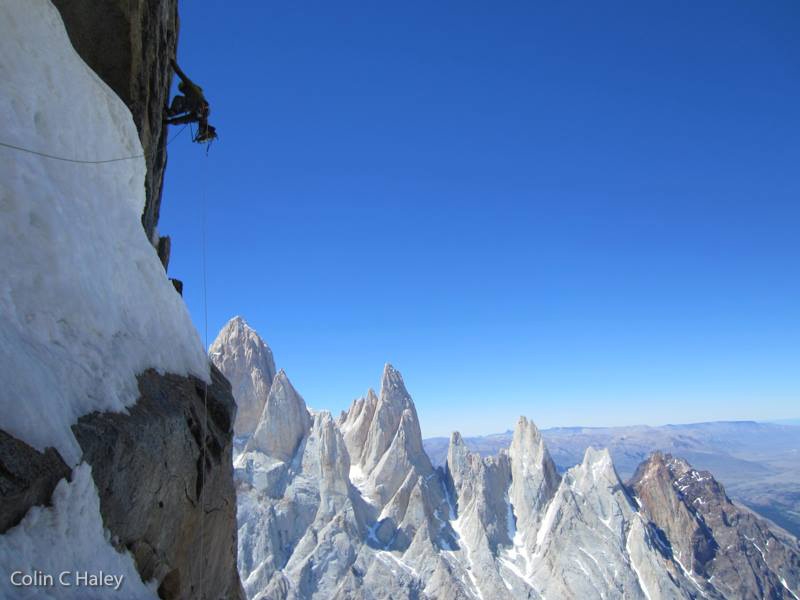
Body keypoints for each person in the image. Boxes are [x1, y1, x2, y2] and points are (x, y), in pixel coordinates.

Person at [165, 60, 217, 143]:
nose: (183, 91)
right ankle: (205, 130)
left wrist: (174, 65)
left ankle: (205, 131)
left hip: (196, 109)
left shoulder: (195, 91)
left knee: (174, 110)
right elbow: (184, 119)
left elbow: (182, 76)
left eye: (182, 89)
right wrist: (169, 121)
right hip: (193, 109)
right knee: (172, 112)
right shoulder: (197, 114)